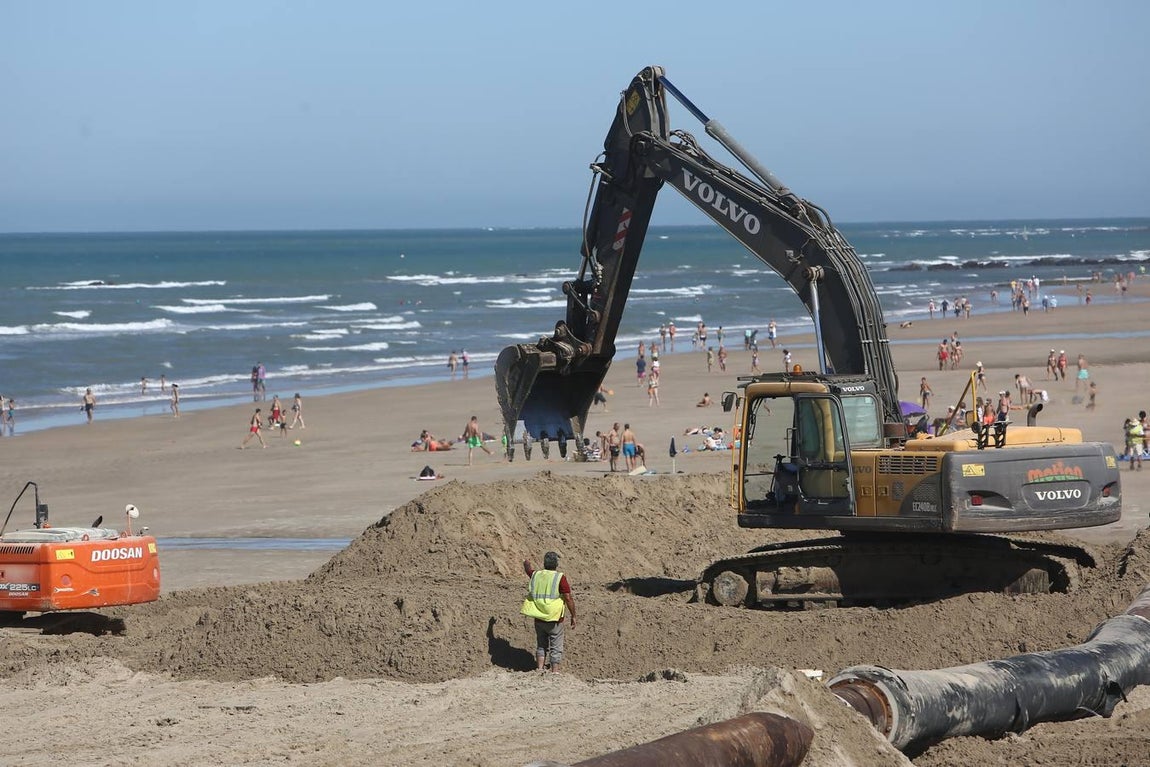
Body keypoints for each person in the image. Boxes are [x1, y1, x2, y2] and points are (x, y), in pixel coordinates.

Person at [521, 551, 576, 673]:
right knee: (556, 646)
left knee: (541, 644)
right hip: (554, 618)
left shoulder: (536, 575)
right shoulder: (559, 577)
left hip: (539, 616)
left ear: (544, 563)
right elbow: (568, 598)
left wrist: (526, 562)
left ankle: (540, 669)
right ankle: (554, 671)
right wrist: (573, 615)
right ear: (556, 564)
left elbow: (528, 571)